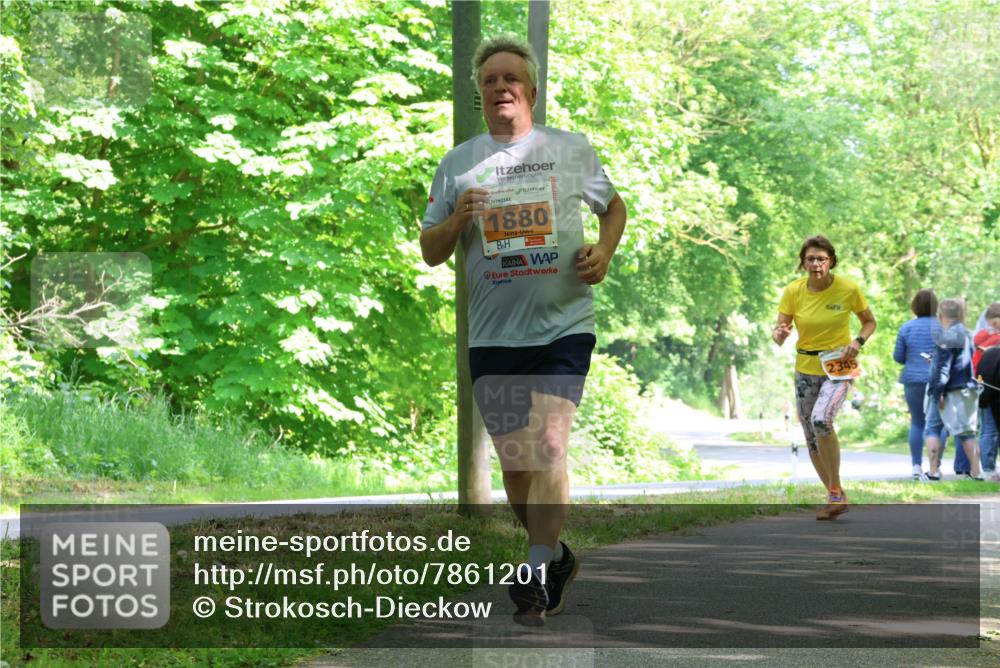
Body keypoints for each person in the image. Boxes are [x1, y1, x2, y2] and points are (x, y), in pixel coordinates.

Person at [420, 35, 626, 625]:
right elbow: (431, 249)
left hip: (563, 326)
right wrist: (460, 216)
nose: (501, 87)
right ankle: (557, 556)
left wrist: (604, 253)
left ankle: (534, 570)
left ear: (531, 91)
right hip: (493, 335)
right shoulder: (459, 163)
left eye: (512, 78)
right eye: (490, 80)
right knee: (517, 466)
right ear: (480, 95)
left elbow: (614, 208)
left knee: (550, 444)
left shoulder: (570, 150)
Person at [773, 235, 876, 520]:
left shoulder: (848, 289)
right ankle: (835, 493)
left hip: (839, 365)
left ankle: (835, 493)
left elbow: (869, 321)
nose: (816, 264)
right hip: (806, 367)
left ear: (831, 261)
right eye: (810, 259)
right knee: (810, 435)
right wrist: (779, 333)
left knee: (822, 420)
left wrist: (858, 342)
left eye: (821, 259)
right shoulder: (794, 291)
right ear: (803, 262)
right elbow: (779, 331)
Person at [925, 299, 983, 480]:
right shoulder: (968, 334)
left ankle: (933, 471)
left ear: (940, 316)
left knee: (932, 428)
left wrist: (938, 392)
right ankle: (976, 472)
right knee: (967, 432)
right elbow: (962, 362)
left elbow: (943, 369)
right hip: (966, 389)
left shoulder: (948, 336)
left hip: (948, 390)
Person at [893, 288, 938, 480]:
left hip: (913, 380)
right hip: (937, 380)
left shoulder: (906, 328)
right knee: (937, 425)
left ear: (915, 306)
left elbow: (898, 357)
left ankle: (916, 467)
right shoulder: (944, 327)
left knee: (918, 422)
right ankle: (935, 468)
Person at [973, 303, 1000, 477]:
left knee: (988, 428)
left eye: (996, 323)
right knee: (989, 428)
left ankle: (989, 469)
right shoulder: (983, 337)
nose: (993, 327)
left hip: (988, 384)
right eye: (991, 323)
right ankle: (988, 469)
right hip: (988, 385)